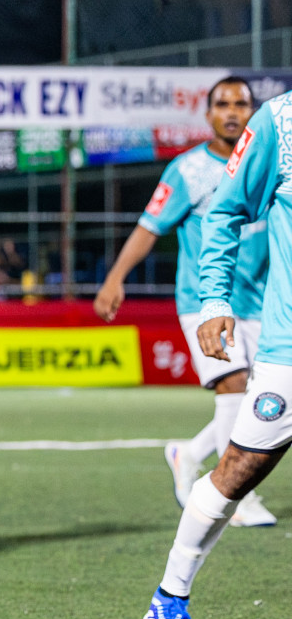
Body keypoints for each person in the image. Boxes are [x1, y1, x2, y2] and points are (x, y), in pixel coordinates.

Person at [144, 87, 292, 619]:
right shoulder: (281, 121)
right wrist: (215, 301)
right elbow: (225, 211)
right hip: (288, 346)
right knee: (237, 472)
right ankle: (170, 595)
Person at [94, 77, 275, 527]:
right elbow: (149, 227)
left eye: (241, 104)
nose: (232, 112)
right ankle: (238, 492)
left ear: (255, 112)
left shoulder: (267, 163)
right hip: (205, 301)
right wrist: (115, 278)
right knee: (233, 387)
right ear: (208, 114)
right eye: (222, 104)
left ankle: (189, 452)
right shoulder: (188, 170)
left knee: (262, 397)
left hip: (261, 301)